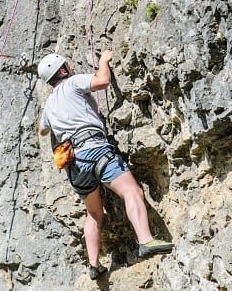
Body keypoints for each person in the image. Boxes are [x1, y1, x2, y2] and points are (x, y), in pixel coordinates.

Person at [37, 50, 173, 279]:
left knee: (93, 213)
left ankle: (94, 265)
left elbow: (42, 130)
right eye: (67, 66)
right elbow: (103, 81)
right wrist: (103, 61)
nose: (70, 68)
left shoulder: (49, 104)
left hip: (74, 164)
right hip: (95, 148)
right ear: (62, 70)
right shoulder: (73, 82)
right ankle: (146, 240)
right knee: (131, 191)